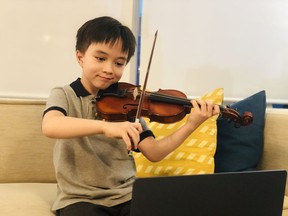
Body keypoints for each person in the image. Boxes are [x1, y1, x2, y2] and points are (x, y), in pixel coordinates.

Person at [42, 16, 220, 216]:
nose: (109, 69)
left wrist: (191, 125)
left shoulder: (128, 102)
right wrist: (105, 127)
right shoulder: (64, 94)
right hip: (80, 198)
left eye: (119, 63)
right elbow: (51, 126)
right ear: (80, 57)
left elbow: (155, 152)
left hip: (127, 195)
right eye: (100, 59)